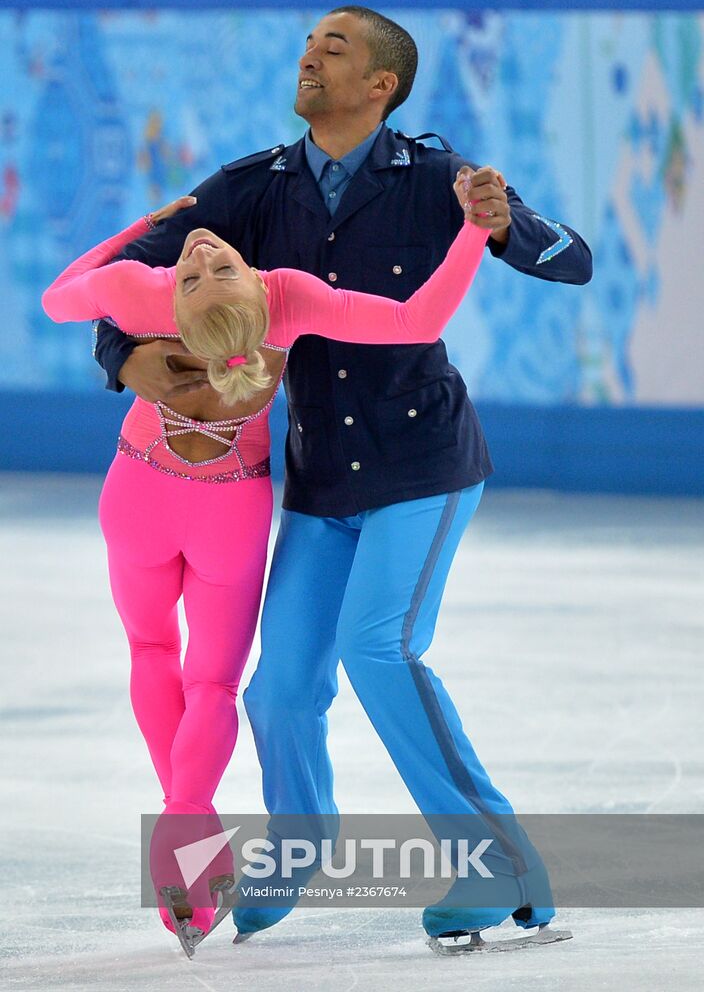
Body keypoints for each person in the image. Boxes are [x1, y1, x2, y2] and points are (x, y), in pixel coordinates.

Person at [92, 6, 592, 947]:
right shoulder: (253, 189)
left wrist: (507, 222)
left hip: (421, 465)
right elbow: (126, 269)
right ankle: (300, 844)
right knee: (277, 690)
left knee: (380, 649)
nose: (310, 57)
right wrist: (122, 356)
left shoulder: (442, 178)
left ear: (381, 86)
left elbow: (573, 260)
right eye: (308, 44)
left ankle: (497, 866)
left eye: (336, 48)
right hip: (322, 481)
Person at [42, 173, 492, 944]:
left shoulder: (145, 291)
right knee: (212, 681)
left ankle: (188, 852)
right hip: (229, 515)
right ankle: (194, 818)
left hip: (140, 498)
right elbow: (421, 316)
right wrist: (475, 231)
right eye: (199, 271)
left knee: (154, 652)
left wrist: (144, 226)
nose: (203, 253)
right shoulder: (283, 298)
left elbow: (60, 298)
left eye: (209, 267)